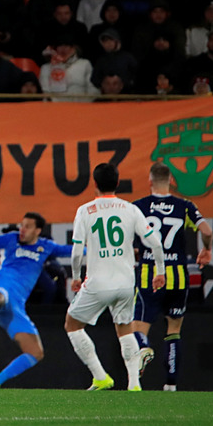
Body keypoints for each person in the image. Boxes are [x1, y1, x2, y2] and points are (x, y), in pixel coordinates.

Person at [64, 163, 165, 391]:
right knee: (124, 328)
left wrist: (76, 276)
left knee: (72, 324)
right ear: (117, 183)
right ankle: (134, 383)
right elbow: (155, 243)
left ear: (94, 183)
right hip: (125, 283)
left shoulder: (85, 211)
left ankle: (100, 377)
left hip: (98, 282)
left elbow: (77, 250)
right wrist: (160, 271)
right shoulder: (129, 209)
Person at [0, 212, 74, 389]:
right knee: (0, 296)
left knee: (36, 352)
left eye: (28, 226)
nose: (22, 229)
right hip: (2, 287)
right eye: (21, 225)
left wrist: (96, 251)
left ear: (38, 230)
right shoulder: (11, 239)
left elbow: (70, 250)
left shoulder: (46, 247)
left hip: (16, 308)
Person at [132, 162, 213, 391]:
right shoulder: (185, 206)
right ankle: (170, 384)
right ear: (170, 181)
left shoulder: (138, 207)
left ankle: (138, 369)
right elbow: (206, 231)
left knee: (139, 328)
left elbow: (129, 239)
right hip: (177, 275)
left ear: (149, 181)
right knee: (174, 330)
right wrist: (206, 249)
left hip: (150, 273)